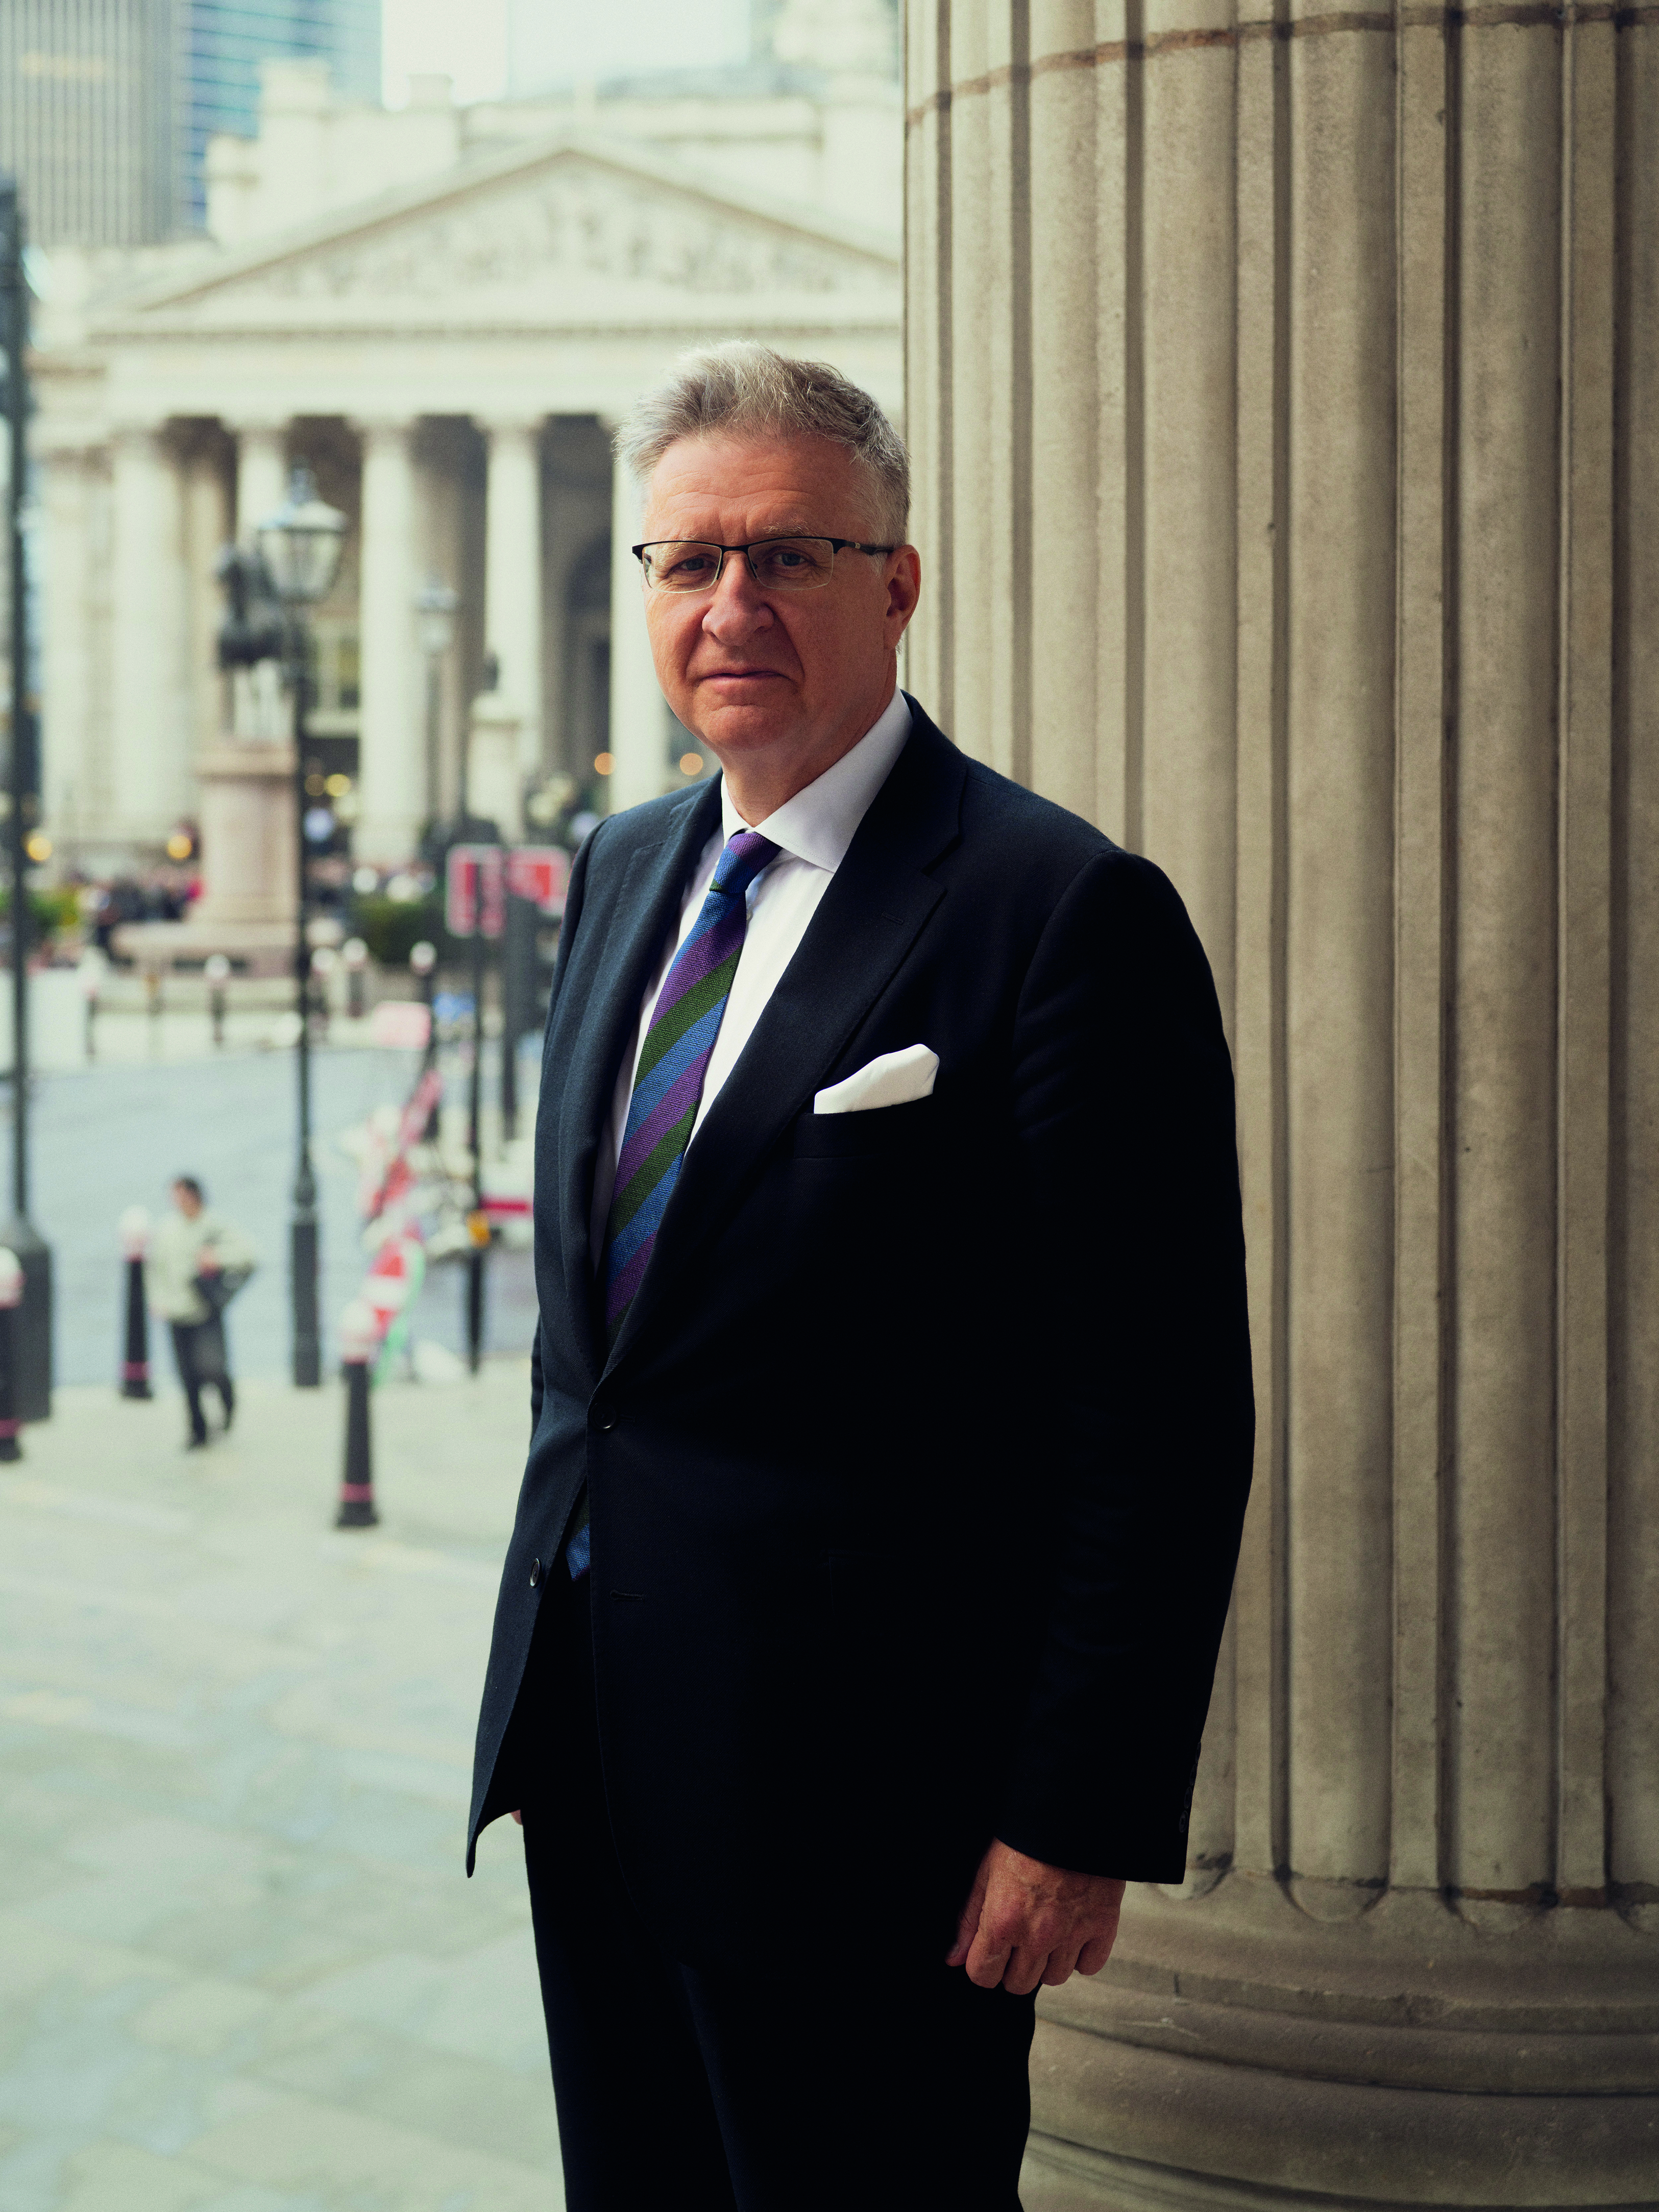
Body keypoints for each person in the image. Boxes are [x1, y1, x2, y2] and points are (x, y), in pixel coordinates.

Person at [469, 344, 1254, 2211]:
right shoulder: (623, 864)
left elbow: (1159, 1416)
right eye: (687, 563)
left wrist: (1071, 1817)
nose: (729, 605)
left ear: (893, 583)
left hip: (872, 1805)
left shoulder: (1054, 910)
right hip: (592, 1746)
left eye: (788, 557)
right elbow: (610, 1352)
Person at [147, 1176, 254, 1449]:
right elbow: (155, 1270)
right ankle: (198, 1430)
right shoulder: (167, 1229)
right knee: (187, 1376)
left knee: (213, 1367)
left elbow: (249, 1255)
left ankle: (228, 1401)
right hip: (177, 1312)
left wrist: (215, 1258)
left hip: (205, 1311)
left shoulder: (214, 1226)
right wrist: (157, 1300)